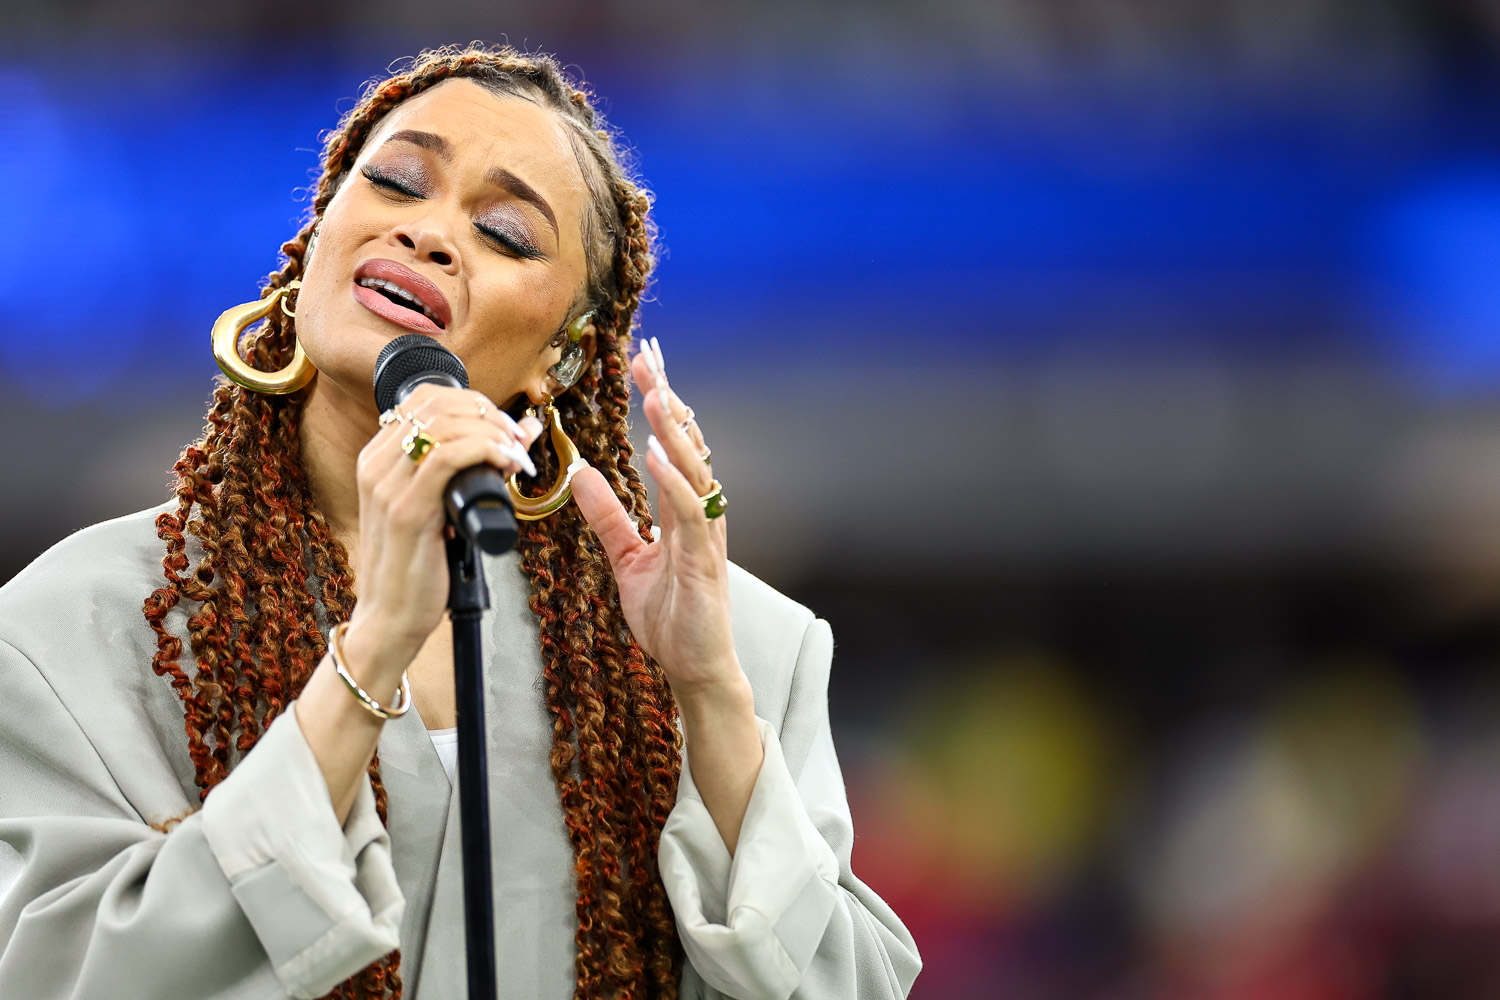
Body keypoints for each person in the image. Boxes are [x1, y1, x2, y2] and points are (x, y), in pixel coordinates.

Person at [0, 44, 920, 1000]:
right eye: (397, 181)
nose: (431, 234)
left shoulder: (741, 645)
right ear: (319, 235)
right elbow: (54, 977)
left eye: (508, 234)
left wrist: (712, 694)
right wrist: (371, 651)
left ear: (559, 359)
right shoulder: (77, 627)